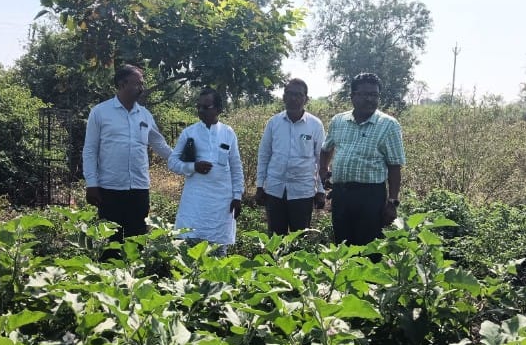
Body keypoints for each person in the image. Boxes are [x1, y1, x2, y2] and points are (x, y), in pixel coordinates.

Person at [82, 64, 172, 252]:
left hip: (139, 189)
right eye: (138, 83)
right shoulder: (100, 112)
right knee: (110, 245)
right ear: (122, 84)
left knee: (137, 242)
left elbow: (160, 145)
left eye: (142, 84)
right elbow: (90, 150)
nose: (142, 88)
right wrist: (92, 184)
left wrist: (186, 164)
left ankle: (134, 272)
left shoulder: (145, 115)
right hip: (110, 189)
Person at [318, 72, 406, 248]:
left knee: (369, 248)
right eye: (365, 94)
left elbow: (394, 166)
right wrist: (323, 170)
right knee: (342, 245)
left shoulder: (389, 125)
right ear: (352, 96)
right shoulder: (339, 121)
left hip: (370, 197)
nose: (370, 99)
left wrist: (392, 202)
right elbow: (326, 148)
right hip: (341, 194)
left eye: (374, 95)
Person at [168, 87, 244, 256]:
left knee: (217, 256)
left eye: (206, 107)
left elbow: (236, 166)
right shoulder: (189, 133)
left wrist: (237, 196)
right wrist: (193, 167)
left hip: (221, 204)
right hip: (195, 203)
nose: (201, 111)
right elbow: (172, 162)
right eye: (199, 107)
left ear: (218, 109)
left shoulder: (228, 133)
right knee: (190, 253)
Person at [255, 78, 326, 235]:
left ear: (306, 99)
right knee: (275, 238)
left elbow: (321, 159)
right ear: (284, 97)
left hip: (303, 191)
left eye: (298, 95)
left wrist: (320, 190)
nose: (293, 98)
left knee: (299, 238)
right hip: (275, 190)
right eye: (290, 94)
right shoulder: (274, 123)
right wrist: (260, 186)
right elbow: (264, 154)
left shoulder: (315, 125)